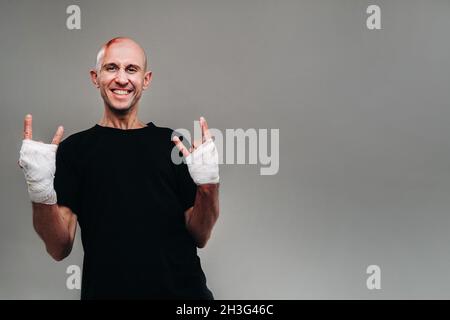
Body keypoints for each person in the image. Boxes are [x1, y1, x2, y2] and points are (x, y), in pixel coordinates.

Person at [18, 37, 220, 300]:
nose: (121, 79)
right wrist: (39, 191)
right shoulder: (74, 150)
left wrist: (209, 185)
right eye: (111, 68)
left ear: (146, 80)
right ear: (95, 77)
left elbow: (201, 235)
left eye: (131, 69)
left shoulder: (172, 143)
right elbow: (58, 247)